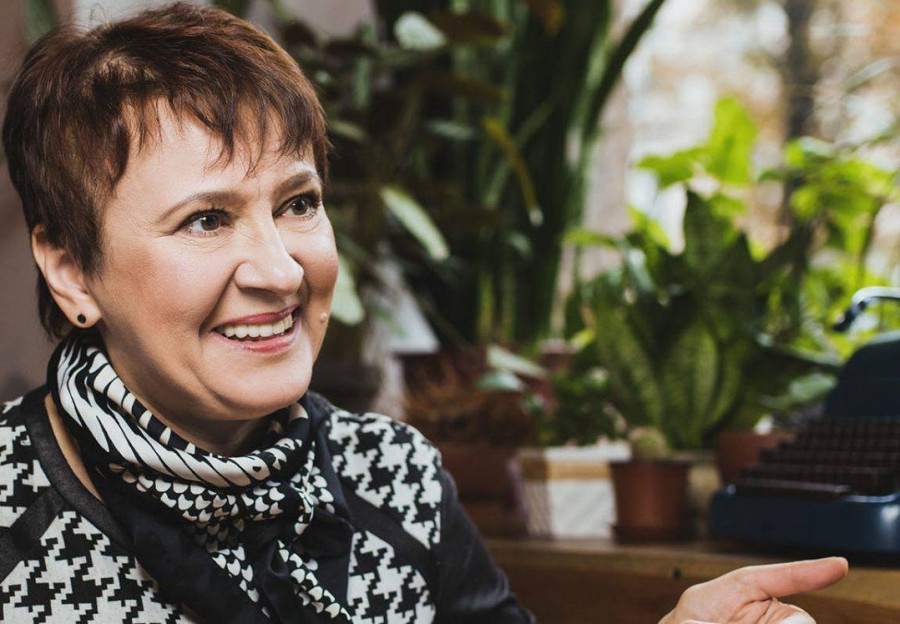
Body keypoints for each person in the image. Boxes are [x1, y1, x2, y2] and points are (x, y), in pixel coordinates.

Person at [0, 3, 847, 623]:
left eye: (298, 203)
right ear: (71, 270)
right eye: (206, 220)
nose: (282, 269)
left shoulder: (394, 475)